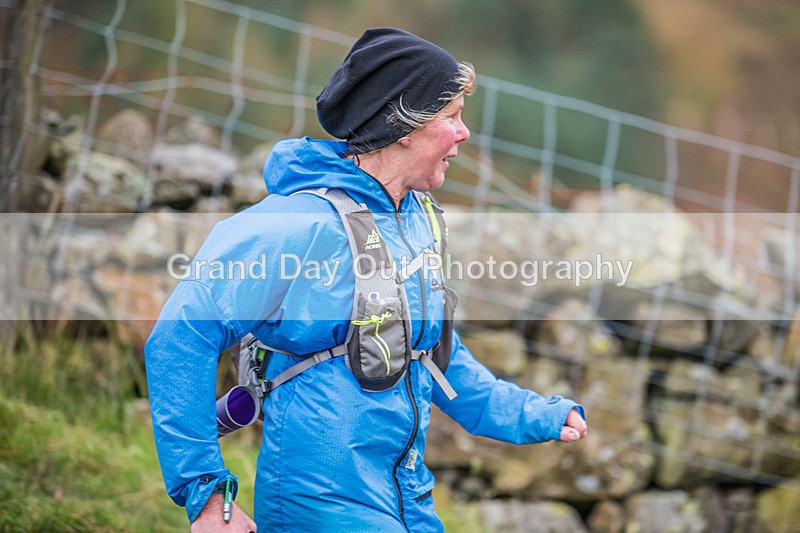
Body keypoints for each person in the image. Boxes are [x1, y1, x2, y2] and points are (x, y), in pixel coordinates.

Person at [145, 27, 587, 533]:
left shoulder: (417, 217)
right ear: (405, 125)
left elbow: (433, 355)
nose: (464, 133)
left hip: (405, 496)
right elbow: (180, 336)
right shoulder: (297, 225)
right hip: (321, 501)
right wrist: (204, 494)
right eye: (452, 117)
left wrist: (531, 413)